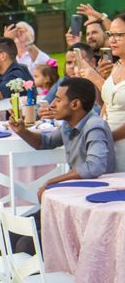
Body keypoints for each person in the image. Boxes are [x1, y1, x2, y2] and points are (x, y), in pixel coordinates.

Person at [8, 77, 115, 254]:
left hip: (92, 201)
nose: (52, 104)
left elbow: (95, 166)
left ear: (75, 104)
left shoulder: (94, 126)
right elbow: (46, 141)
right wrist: (22, 131)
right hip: (73, 194)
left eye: (58, 100)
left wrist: (53, 182)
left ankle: (44, 278)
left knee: (27, 244)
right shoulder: (68, 125)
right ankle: (12, 280)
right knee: (14, 231)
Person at [78, 13, 125, 172]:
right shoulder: (117, 65)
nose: (112, 40)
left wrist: (107, 137)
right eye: (111, 34)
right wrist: (98, 128)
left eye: (119, 35)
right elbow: (107, 101)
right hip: (108, 144)